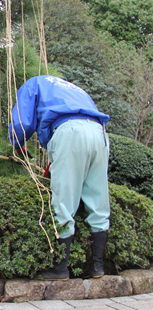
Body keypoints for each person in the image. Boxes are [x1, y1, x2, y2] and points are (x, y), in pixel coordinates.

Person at [9, 75, 110, 281]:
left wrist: (17, 144)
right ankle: (97, 266)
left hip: (69, 132)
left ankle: (60, 268)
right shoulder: (76, 88)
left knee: (64, 201)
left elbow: (22, 121)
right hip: (99, 134)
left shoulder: (33, 84)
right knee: (99, 200)